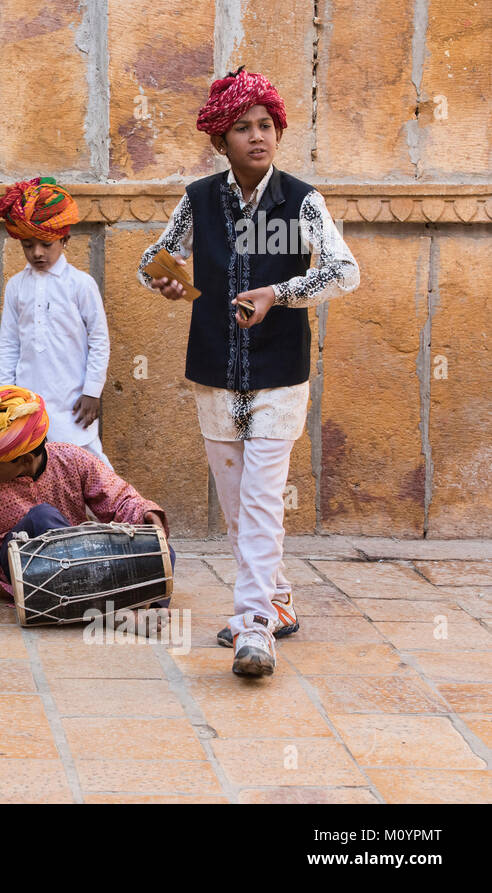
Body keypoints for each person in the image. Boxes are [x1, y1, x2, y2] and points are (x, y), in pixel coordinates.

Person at [137, 67, 359, 677]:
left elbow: (345, 271)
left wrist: (278, 293)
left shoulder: (302, 201)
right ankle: (278, 601)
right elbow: (150, 262)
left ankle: (253, 628)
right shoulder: (199, 199)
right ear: (220, 141)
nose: (258, 136)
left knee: (260, 503)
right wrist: (165, 281)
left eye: (266, 125)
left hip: (280, 375)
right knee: (239, 511)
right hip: (213, 371)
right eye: (243, 127)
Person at [0, 386, 171, 610]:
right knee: (42, 516)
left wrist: (147, 516)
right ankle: (110, 602)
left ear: (26, 459)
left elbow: (119, 498)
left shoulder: (71, 459)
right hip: (19, 567)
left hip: (80, 558)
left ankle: (147, 607)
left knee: (160, 549)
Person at [0, 178, 111, 465]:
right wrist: (5, 397)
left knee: (92, 472)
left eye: (46, 244)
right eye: (28, 245)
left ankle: (129, 511)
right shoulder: (16, 286)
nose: (37, 253)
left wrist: (92, 392)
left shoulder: (80, 284)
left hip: (74, 404)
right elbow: (8, 344)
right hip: (28, 405)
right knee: (35, 472)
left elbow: (99, 339)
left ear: (65, 240)